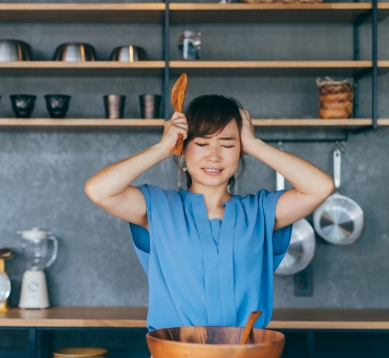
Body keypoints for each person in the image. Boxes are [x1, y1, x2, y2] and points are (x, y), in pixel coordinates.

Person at [85, 94, 334, 333]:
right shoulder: (159, 208)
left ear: (241, 150)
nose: (214, 156)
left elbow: (321, 187)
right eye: (201, 144)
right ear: (182, 148)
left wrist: (256, 145)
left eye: (227, 144)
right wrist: (162, 148)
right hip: (173, 357)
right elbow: (98, 190)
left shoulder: (261, 211)